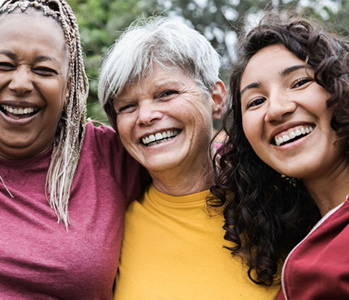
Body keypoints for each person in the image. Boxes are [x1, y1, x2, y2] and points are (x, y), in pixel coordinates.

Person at [0, 0, 142, 298]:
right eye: (3, 65)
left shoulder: (111, 157)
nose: (22, 83)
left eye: (44, 70)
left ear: (67, 87)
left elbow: (201, 177)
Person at [214, 14, 349, 299]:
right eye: (256, 101)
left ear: (346, 87)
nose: (276, 109)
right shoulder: (286, 241)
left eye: (299, 82)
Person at [98, 17, 279, 299]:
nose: (146, 117)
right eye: (128, 106)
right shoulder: (111, 228)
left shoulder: (282, 204)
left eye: (166, 94)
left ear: (216, 99)